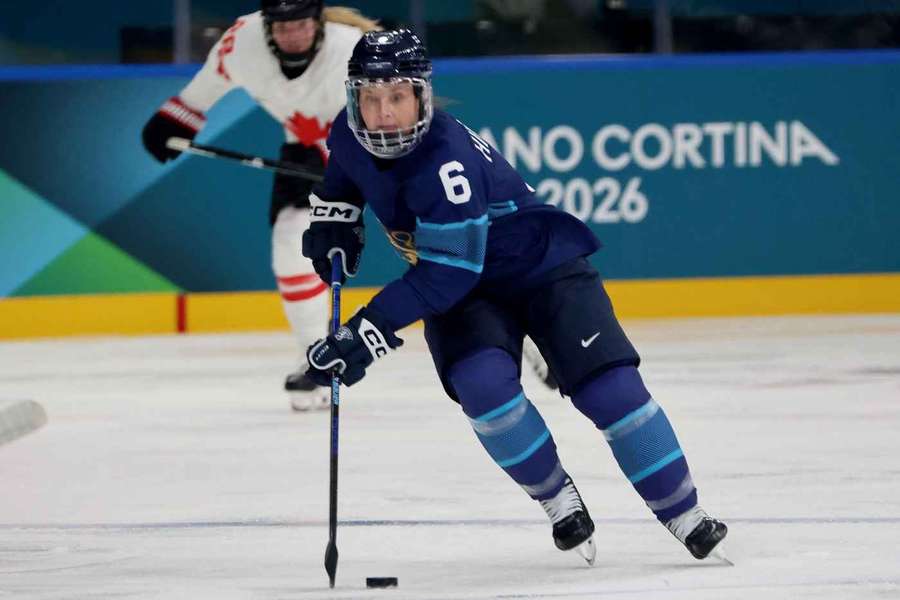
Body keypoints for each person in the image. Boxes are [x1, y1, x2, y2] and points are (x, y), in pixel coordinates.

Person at [301, 29, 729, 564]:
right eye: (371, 97)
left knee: (611, 391)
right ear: (353, 98)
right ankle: (557, 500)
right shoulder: (347, 132)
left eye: (397, 96)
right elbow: (345, 174)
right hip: (466, 288)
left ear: (421, 97)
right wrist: (335, 215)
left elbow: (446, 277)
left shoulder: (446, 162)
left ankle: (684, 512)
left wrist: (366, 333)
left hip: (539, 271)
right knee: (484, 391)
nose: (383, 113)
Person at [140, 0, 379, 411]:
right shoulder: (242, 43)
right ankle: (317, 359)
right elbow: (199, 95)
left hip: (370, 146)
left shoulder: (352, 49)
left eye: (301, 24)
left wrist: (343, 160)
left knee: (417, 235)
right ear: (267, 27)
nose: (291, 35)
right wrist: (170, 124)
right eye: (281, 26)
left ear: (318, 22)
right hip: (303, 148)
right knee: (291, 240)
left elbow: (384, 115)